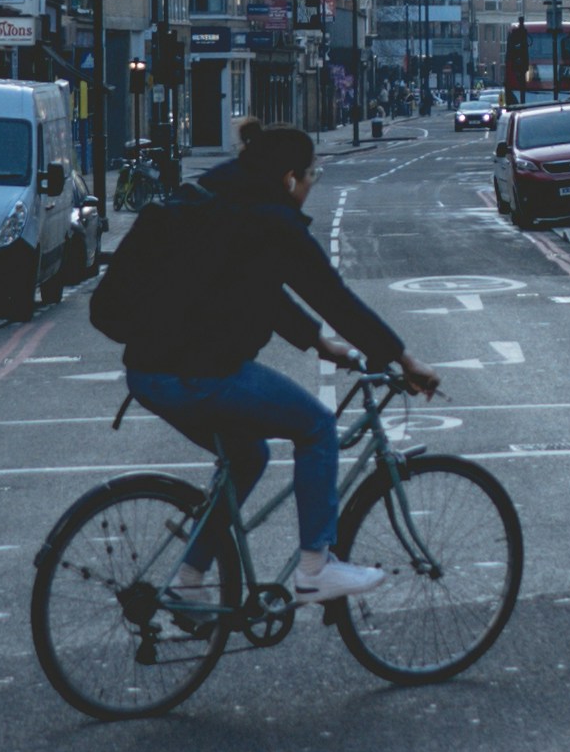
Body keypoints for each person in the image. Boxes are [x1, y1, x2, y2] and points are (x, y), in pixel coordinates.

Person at [94, 112, 438, 612]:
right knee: (316, 427)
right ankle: (316, 568)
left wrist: (319, 343)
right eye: (312, 175)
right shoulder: (271, 220)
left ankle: (189, 579)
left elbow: (253, 285)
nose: (312, 185)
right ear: (289, 178)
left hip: (149, 372)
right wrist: (405, 359)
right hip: (197, 374)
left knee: (248, 456)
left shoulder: (221, 194)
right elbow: (332, 296)